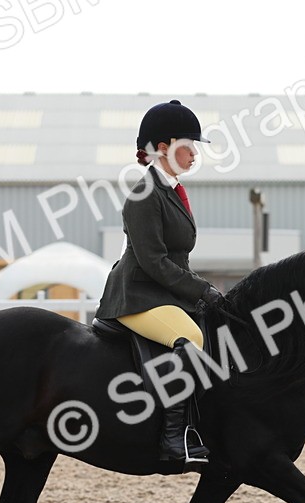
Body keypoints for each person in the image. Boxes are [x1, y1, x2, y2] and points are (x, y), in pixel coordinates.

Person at [95, 99, 222, 465]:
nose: (195, 154)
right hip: (136, 294)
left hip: (161, 293)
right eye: (188, 145)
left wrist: (202, 292)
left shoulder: (171, 190)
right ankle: (172, 438)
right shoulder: (144, 194)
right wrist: (202, 290)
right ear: (163, 147)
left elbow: (176, 258)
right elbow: (153, 261)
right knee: (191, 338)